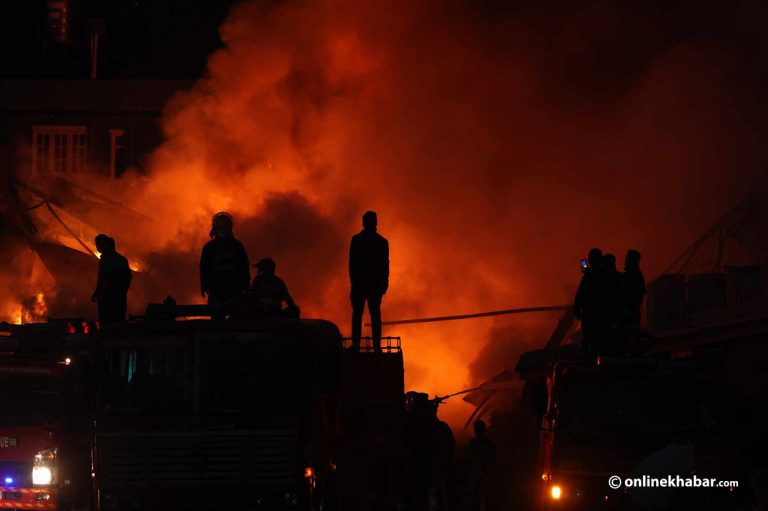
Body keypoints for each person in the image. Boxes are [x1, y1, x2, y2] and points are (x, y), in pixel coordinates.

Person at [349, 211, 389, 351]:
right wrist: (384, 283)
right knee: (374, 315)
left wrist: (354, 283)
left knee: (359, 315)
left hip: (363, 285)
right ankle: (376, 346)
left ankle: (356, 345)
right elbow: (385, 265)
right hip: (372, 285)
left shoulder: (357, 240)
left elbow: (352, 264)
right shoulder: (381, 242)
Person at [199, 212, 250, 307]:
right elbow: (204, 268)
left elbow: (244, 266)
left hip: (230, 288)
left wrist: (204, 285)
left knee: (232, 317)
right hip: (221, 288)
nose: (224, 230)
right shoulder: (236, 245)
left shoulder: (210, 246)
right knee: (223, 317)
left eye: (225, 227)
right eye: (222, 227)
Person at [91, 234, 131, 324]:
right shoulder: (102, 261)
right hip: (104, 299)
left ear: (107, 245)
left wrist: (119, 293)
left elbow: (127, 278)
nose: (98, 247)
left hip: (115, 299)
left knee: (115, 324)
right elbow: (101, 278)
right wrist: (97, 292)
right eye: (97, 244)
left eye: (99, 244)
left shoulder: (119, 260)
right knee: (105, 323)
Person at [573, 248, 603, 358]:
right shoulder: (606, 275)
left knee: (590, 341)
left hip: (590, 315)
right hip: (601, 316)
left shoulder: (588, 277)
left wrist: (577, 309)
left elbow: (580, 295)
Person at [469, 420, 496, 511]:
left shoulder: (473, 443)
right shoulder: (490, 444)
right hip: (484, 474)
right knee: (484, 499)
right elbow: (493, 459)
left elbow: (471, 458)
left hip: (480, 474)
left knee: (477, 499)